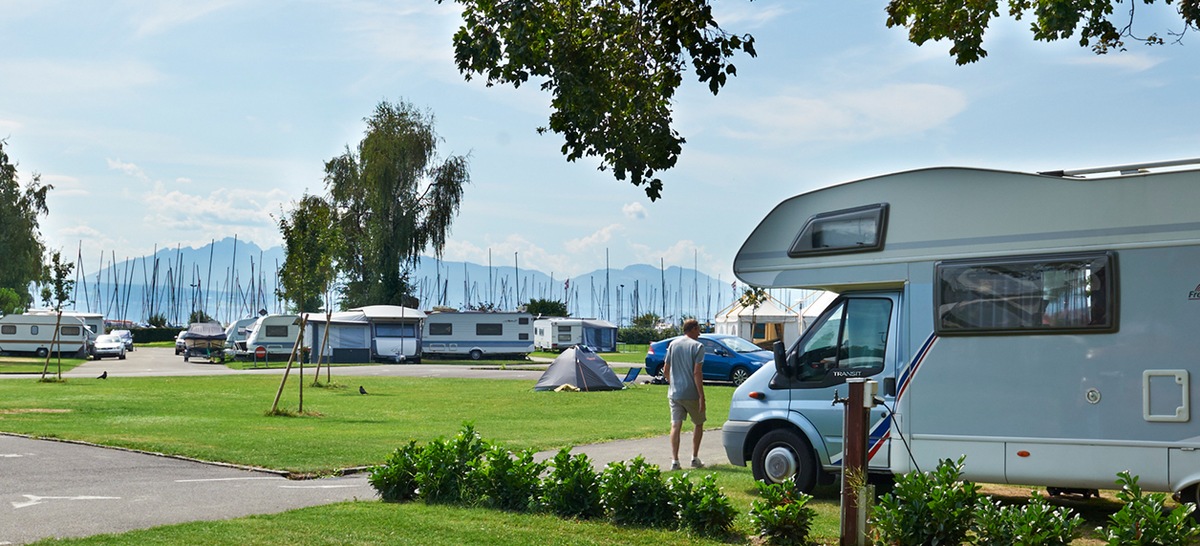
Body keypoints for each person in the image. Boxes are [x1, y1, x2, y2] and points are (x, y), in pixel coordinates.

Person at [663, 318, 706, 470]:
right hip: (691, 392)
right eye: (698, 329)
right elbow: (697, 372)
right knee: (698, 423)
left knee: (675, 425)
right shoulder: (698, 346)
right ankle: (694, 458)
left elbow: (665, 370)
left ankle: (675, 461)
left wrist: (672, 383)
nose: (699, 333)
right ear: (693, 329)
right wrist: (701, 396)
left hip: (675, 393)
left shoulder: (673, 345)